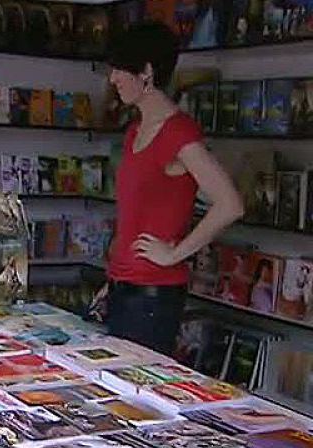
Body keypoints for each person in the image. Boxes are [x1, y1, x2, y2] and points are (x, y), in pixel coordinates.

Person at [100, 22, 244, 355]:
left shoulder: (178, 133)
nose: (113, 79)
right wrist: (113, 282)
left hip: (152, 294)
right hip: (123, 285)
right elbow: (135, 216)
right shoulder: (135, 130)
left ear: (147, 72)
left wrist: (175, 253)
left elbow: (230, 204)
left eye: (120, 70)